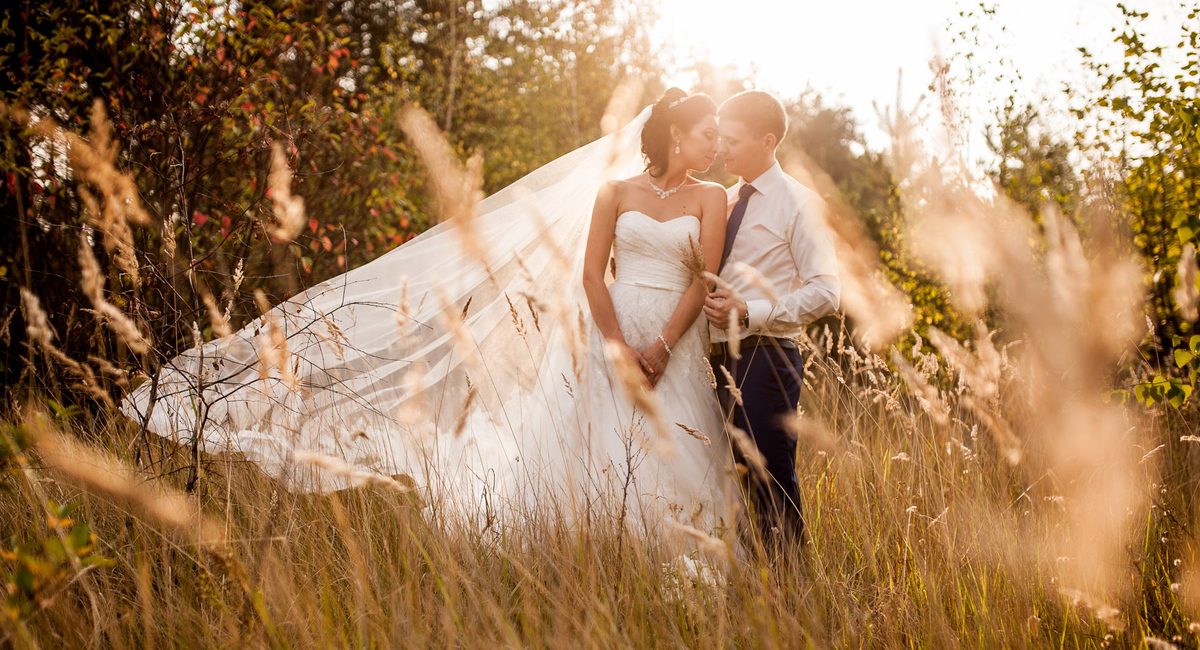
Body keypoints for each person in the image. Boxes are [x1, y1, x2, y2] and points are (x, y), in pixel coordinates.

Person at [120, 89, 737, 542]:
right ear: (676, 135)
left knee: (676, 440)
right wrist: (617, 345)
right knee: (603, 438)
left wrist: (661, 346)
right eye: (709, 134)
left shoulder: (711, 197)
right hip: (612, 327)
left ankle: (684, 549)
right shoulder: (616, 192)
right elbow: (591, 275)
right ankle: (601, 543)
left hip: (674, 336)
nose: (716, 147)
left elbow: (703, 277)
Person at [703, 90, 841, 555]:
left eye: (733, 140)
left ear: (767, 141)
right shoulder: (722, 200)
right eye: (719, 138)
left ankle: (791, 584)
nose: (722, 148)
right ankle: (746, 583)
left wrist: (749, 311)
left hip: (765, 360)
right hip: (709, 362)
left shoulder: (801, 203)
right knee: (725, 482)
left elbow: (826, 292)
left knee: (770, 480)